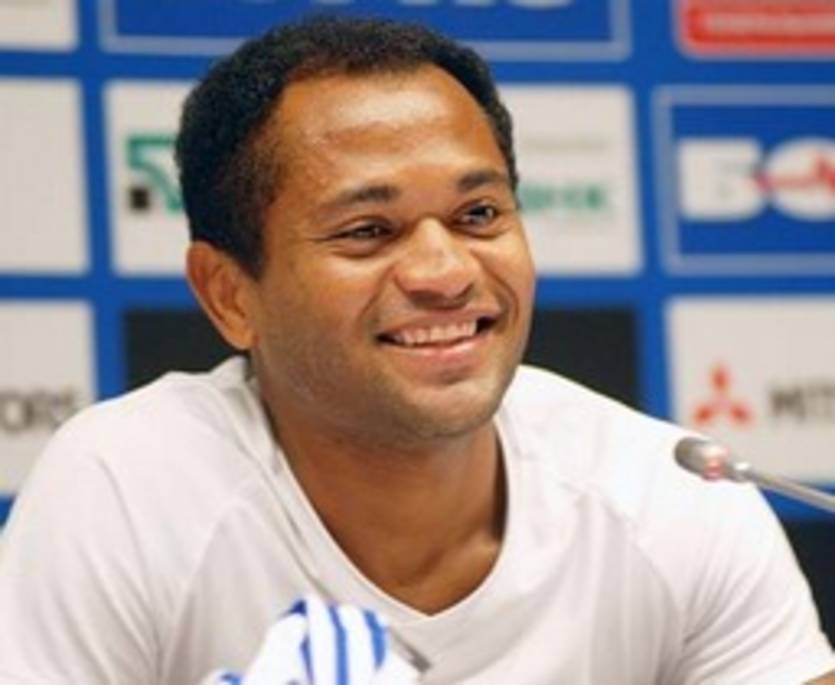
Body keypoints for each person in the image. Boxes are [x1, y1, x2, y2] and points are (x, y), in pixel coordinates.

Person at [0, 14, 833, 685]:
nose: (445, 271)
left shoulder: (671, 496)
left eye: (479, 216)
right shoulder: (127, 489)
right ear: (228, 293)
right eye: (367, 230)